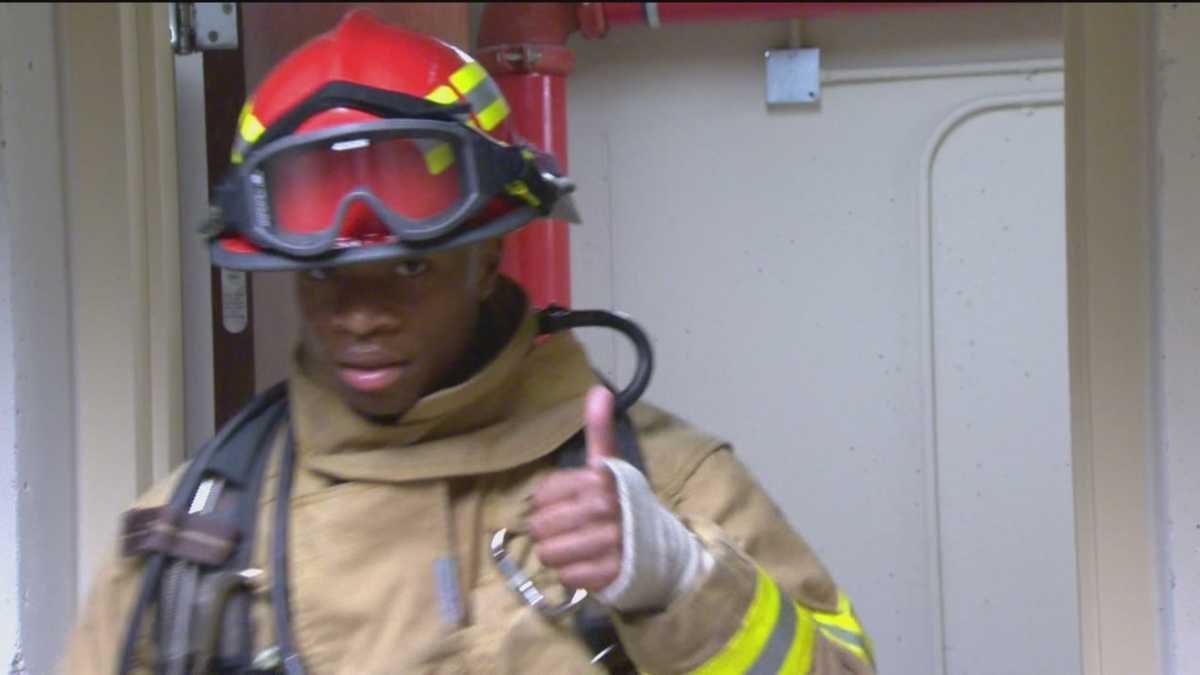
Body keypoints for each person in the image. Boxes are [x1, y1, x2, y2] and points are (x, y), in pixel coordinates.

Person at [63, 10, 875, 675]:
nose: (359, 314)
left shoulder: (664, 484)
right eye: (321, 275)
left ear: (488, 257)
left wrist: (681, 584)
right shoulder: (193, 535)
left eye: (409, 265)